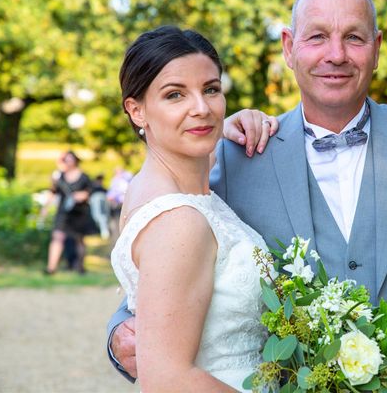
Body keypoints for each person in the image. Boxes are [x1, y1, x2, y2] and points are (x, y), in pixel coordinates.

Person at [109, 0, 387, 392]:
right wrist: (117, 333)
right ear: (288, 47)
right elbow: (159, 275)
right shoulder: (235, 158)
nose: (336, 54)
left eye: (354, 37)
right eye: (317, 37)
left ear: (377, 48)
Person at [110, 25, 275, 391]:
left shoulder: (154, 188)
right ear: (137, 111)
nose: (201, 108)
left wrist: (231, 124)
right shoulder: (179, 221)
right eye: (175, 95)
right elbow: (168, 379)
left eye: (211, 90)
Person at [44, 150, 98, 274]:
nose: (68, 162)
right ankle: (51, 268)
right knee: (57, 237)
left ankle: (80, 266)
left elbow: (91, 191)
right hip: (64, 212)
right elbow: (52, 191)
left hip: (79, 212)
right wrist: (45, 208)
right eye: (65, 160)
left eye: (70, 159)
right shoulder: (59, 176)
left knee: (79, 239)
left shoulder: (84, 176)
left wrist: (83, 195)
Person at [106, 166, 133, 244]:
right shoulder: (114, 180)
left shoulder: (127, 178)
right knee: (116, 227)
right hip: (116, 206)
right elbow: (111, 192)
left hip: (124, 205)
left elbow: (124, 191)